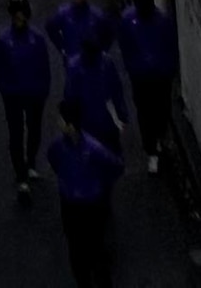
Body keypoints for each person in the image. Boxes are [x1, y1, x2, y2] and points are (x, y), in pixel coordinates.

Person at [46, 117, 126, 288]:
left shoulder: (61, 146)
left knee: (78, 246)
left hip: (73, 203)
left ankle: (86, 281)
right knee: (93, 244)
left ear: (70, 125)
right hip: (91, 201)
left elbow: (53, 160)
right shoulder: (92, 147)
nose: (59, 123)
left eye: (62, 120)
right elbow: (115, 165)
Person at [0, 0, 56, 199]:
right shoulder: (3, 39)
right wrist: (5, 89)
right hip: (14, 94)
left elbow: (44, 66)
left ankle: (31, 162)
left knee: (34, 129)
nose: (19, 19)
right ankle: (21, 174)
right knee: (16, 133)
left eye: (22, 15)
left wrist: (44, 89)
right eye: (16, 15)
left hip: (34, 93)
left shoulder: (37, 39)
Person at [117, 0, 184, 166]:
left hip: (159, 74)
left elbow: (171, 46)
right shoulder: (129, 20)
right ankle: (151, 147)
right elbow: (125, 44)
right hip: (142, 75)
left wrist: (169, 69)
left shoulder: (161, 21)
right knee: (145, 110)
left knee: (160, 109)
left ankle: (158, 139)